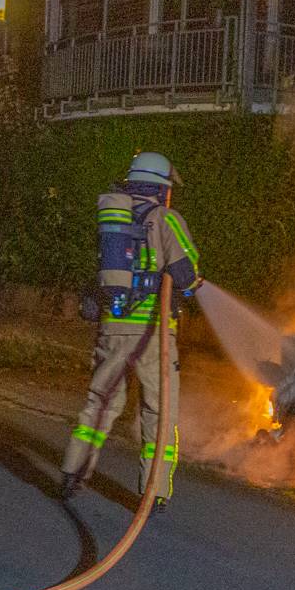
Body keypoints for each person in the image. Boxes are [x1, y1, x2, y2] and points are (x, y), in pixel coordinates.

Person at [58, 151, 202, 508]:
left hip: (113, 326)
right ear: (161, 189)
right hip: (153, 336)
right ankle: (154, 492)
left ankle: (73, 471)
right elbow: (187, 274)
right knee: (159, 410)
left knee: (102, 401)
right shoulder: (165, 219)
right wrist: (193, 284)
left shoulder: (115, 224)